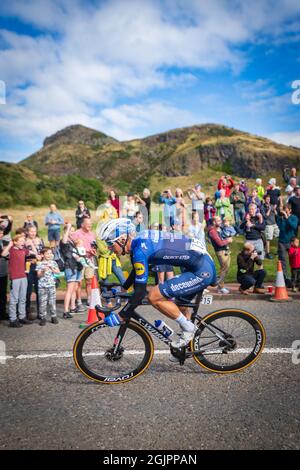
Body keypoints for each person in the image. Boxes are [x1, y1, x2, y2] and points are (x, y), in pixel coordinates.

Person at [98, 218, 216, 362]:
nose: (109, 248)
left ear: (122, 239)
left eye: (110, 244)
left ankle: (189, 329)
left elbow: (140, 292)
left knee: (153, 296)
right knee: (180, 306)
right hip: (197, 263)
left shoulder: (140, 249)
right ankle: (184, 348)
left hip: (201, 270)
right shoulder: (139, 242)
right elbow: (137, 272)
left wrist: (122, 315)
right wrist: (122, 289)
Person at [2, 235, 33, 328]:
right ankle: (12, 319)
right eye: (20, 241)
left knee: (22, 298)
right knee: (14, 299)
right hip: (15, 277)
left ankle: (22, 317)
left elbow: (34, 252)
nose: (23, 242)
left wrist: (31, 244)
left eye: (23, 241)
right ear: (15, 242)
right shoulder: (11, 249)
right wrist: (10, 244)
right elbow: (3, 254)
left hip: (23, 276)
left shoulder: (23, 250)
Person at [59, 223, 83, 318]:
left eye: (73, 231)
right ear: (66, 232)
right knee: (69, 289)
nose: (72, 232)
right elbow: (64, 240)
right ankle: (65, 311)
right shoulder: (64, 241)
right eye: (70, 231)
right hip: (70, 267)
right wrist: (68, 228)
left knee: (74, 288)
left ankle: (72, 307)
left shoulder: (72, 242)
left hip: (76, 266)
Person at [72, 217, 97, 306]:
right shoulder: (76, 234)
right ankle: (78, 300)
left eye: (91, 224)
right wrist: (86, 251)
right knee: (79, 281)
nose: (90, 225)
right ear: (82, 224)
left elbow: (94, 245)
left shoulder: (92, 234)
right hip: (80, 261)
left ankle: (89, 299)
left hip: (89, 259)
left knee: (89, 281)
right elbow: (73, 248)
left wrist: (93, 250)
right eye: (88, 224)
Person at [208, 216, 233, 294]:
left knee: (226, 269)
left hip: (225, 250)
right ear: (214, 222)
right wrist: (228, 240)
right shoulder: (212, 231)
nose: (220, 222)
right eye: (218, 221)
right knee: (224, 269)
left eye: (220, 220)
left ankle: (221, 285)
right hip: (220, 251)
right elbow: (219, 243)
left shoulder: (219, 229)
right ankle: (220, 287)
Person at [276, 204, 298, 287]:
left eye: (286, 210)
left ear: (290, 210)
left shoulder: (294, 217)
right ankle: (286, 279)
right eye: (283, 210)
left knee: (295, 261)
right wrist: (282, 218)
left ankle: (295, 279)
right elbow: (281, 227)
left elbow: (294, 226)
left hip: (291, 242)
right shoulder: (280, 217)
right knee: (283, 261)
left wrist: (287, 217)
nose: (284, 211)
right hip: (282, 242)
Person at [36, 247, 60, 325]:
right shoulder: (39, 263)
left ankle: (53, 316)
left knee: (52, 302)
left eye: (50, 253)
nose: (49, 255)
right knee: (42, 302)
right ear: (42, 255)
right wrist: (43, 271)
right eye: (47, 253)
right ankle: (43, 317)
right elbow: (38, 275)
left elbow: (58, 272)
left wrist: (52, 269)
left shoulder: (53, 263)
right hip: (42, 286)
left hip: (51, 285)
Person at [24, 225, 44, 319]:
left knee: (39, 290)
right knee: (28, 291)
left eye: (34, 231)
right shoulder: (24, 241)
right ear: (27, 232)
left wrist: (40, 256)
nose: (33, 233)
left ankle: (40, 312)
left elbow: (43, 253)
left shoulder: (40, 240)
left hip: (38, 266)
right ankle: (27, 312)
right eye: (31, 231)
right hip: (28, 268)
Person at [261, 194, 279, 259]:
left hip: (274, 224)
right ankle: (267, 253)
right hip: (268, 225)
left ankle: (278, 251)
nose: (268, 200)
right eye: (267, 199)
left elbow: (276, 214)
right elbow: (265, 216)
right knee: (268, 239)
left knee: (279, 236)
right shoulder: (262, 207)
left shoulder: (271, 205)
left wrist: (274, 210)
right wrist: (269, 209)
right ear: (264, 200)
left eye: (269, 199)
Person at [0, 228, 9, 320]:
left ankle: (2, 313)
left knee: (3, 293)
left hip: (3, 271)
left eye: (2, 233)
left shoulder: (2, 242)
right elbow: (2, 254)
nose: (1, 235)